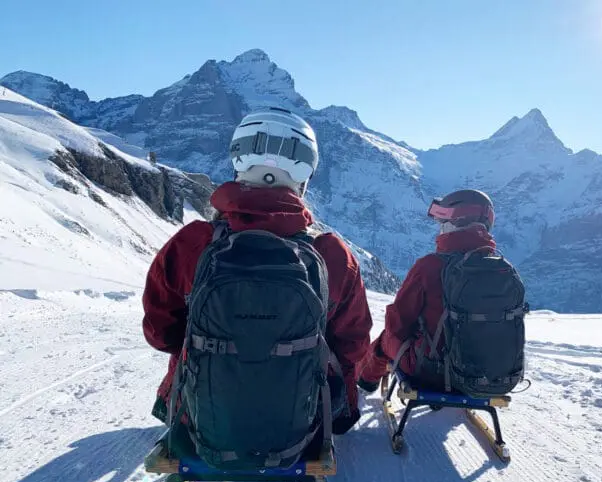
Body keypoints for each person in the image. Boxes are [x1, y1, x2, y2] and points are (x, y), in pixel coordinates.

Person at [143, 108, 372, 452]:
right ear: (305, 176)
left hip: (198, 416)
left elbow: (160, 334)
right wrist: (342, 409)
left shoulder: (193, 242)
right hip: (303, 423)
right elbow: (353, 346)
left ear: (238, 162)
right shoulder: (333, 255)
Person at [357, 189, 499, 391]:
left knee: (385, 341)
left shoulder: (430, 266)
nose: (440, 229)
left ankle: (365, 381)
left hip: (433, 372)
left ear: (454, 223)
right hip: (491, 377)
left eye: (442, 223)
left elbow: (397, 323)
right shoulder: (502, 269)